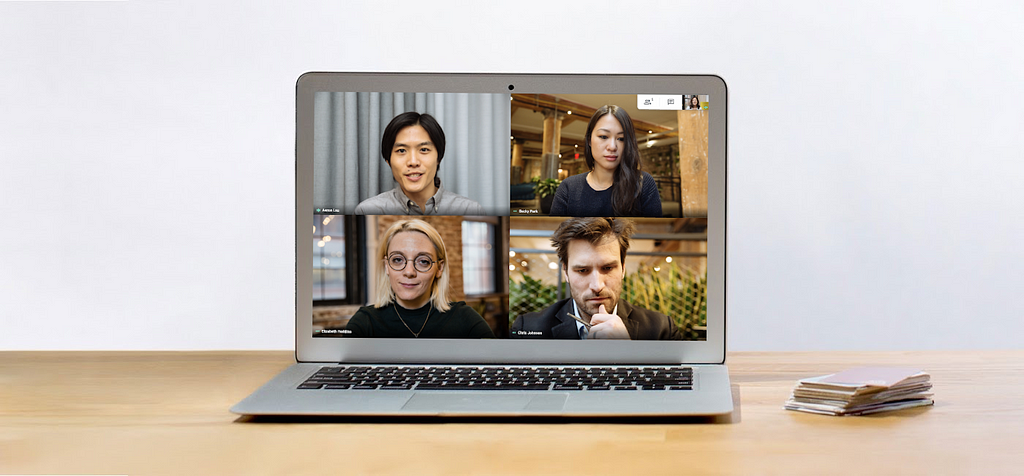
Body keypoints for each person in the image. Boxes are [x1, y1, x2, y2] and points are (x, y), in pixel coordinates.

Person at [511, 217, 683, 340]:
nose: (597, 285)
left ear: (623, 269)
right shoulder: (528, 328)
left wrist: (629, 352)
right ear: (566, 272)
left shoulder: (661, 329)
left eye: (608, 268)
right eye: (582, 270)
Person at [345, 219, 494, 338]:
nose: (409, 272)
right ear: (386, 266)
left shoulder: (465, 319)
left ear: (439, 268)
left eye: (423, 261)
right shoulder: (365, 322)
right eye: (398, 260)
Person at [354, 112, 484, 215]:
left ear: (439, 157)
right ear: (388, 161)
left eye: (423, 150)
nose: (413, 162)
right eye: (401, 150)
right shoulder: (368, 210)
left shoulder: (470, 209)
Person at [549, 105, 662, 217]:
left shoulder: (643, 184)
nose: (612, 147)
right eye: (603, 136)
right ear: (589, 140)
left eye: (621, 139)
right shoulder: (568, 188)